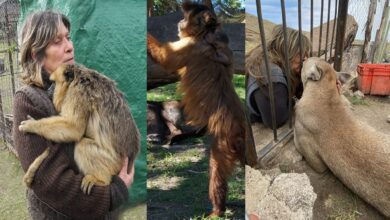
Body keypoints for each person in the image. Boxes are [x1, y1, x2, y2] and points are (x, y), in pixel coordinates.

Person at [13, 11, 135, 219]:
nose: (69, 46)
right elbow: (51, 183)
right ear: (36, 54)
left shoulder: (81, 82)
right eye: (56, 41)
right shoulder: (28, 100)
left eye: (68, 38)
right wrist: (114, 192)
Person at [246, 25, 311, 128]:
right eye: (300, 53)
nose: (305, 59)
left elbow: (298, 92)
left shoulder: (280, 63)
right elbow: (276, 120)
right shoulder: (270, 73)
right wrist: (294, 101)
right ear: (287, 50)